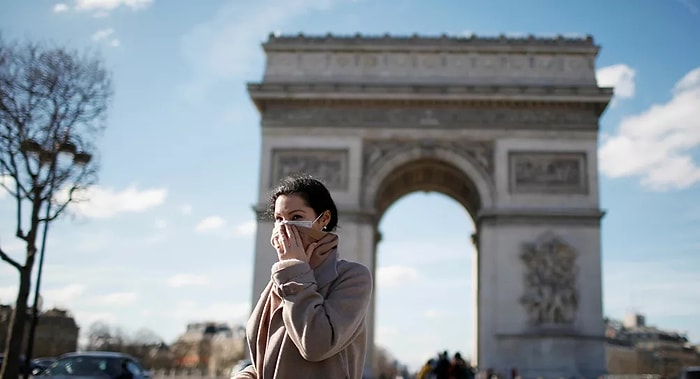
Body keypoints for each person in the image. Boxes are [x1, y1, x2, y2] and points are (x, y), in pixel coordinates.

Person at [234, 175, 373, 379]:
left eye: (296, 217)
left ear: (324, 219)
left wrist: (294, 269)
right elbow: (268, 359)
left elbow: (315, 345)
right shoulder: (279, 281)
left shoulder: (353, 277)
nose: (284, 227)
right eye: (279, 219)